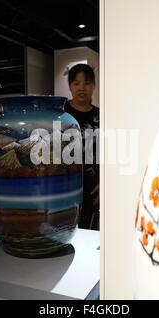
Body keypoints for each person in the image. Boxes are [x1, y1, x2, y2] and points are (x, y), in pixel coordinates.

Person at [64, 63, 100, 230]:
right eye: (76, 83)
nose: (82, 88)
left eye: (86, 83)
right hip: (65, 186)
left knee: (90, 232)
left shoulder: (101, 115)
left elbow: (109, 151)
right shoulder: (61, 114)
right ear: (70, 86)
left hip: (94, 188)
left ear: (93, 85)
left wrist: (106, 182)